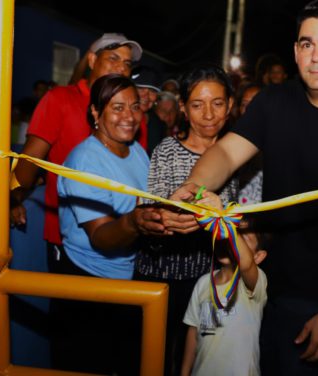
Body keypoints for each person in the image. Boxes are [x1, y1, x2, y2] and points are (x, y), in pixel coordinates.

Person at [170, 1, 318, 374]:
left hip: (316, 297)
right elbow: (228, 153)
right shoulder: (273, 102)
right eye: (307, 44)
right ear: (296, 51)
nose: (316, 56)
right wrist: (193, 186)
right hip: (258, 277)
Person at [134, 64, 239, 376]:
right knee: (155, 356)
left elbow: (245, 216)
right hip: (162, 276)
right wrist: (165, 219)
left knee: (198, 359)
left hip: (208, 278)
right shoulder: (167, 151)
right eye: (197, 104)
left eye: (217, 103)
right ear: (182, 107)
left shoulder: (238, 155)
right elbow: (151, 213)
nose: (208, 115)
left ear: (230, 105)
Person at [9, 33, 145, 271]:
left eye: (127, 63)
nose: (121, 68)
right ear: (92, 60)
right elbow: (29, 160)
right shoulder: (60, 99)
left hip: (127, 246)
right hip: (69, 240)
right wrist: (11, 199)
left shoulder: (132, 117)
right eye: (113, 58)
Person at [54, 74, 161, 374]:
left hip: (128, 277)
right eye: (117, 108)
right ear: (95, 113)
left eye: (134, 106)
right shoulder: (85, 162)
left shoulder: (135, 150)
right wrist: (135, 223)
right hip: (90, 286)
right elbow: (100, 236)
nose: (129, 116)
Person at [180, 191, 268, 376]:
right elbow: (194, 333)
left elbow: (245, 263)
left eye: (241, 236)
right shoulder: (203, 283)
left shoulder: (253, 283)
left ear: (258, 256)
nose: (228, 237)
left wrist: (226, 222)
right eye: (226, 231)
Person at [133, 65, 168, 155]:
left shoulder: (157, 125)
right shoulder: (118, 119)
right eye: (140, 88)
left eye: (152, 91)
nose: (146, 96)